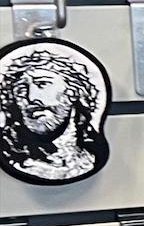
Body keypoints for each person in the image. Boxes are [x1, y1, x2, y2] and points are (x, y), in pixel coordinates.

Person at [0, 43, 108, 184]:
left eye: (42, 84)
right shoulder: (13, 157)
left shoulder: (91, 156)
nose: (32, 98)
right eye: (21, 90)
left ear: (72, 92)